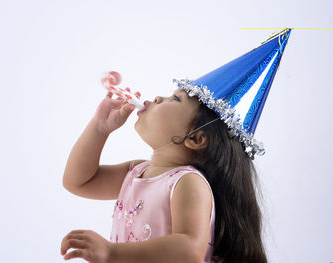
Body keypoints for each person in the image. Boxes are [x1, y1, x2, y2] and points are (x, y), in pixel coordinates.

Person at [60, 28, 291, 263]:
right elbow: (79, 182)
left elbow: (189, 249)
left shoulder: (187, 182)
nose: (159, 98)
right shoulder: (135, 172)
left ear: (196, 138)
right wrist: (100, 128)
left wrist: (111, 253)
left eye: (175, 99)